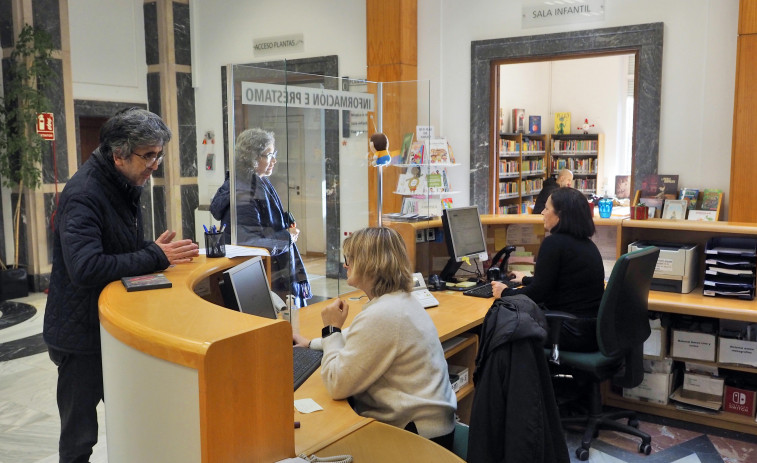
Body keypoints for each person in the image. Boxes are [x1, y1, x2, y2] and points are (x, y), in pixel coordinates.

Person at [43, 107, 200, 463]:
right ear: (118, 155)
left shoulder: (122, 183)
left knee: (129, 418)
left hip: (107, 326)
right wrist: (156, 256)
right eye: (148, 156)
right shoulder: (84, 194)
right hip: (79, 336)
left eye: (159, 154)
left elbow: (114, 250)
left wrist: (150, 250)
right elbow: (86, 267)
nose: (155, 165)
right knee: (79, 439)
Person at [293, 227, 457, 450]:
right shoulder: (398, 302)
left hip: (415, 440)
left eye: (349, 259)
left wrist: (331, 328)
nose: (345, 265)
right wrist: (310, 343)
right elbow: (359, 339)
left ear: (371, 264)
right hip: (430, 428)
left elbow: (336, 384)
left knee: (313, 441)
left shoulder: (385, 314)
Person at [492, 187, 604, 352]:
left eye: (547, 208)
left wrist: (504, 293)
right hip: (589, 330)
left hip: (568, 331)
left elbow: (538, 294)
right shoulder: (587, 245)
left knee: (500, 326)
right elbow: (559, 283)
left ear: (560, 214)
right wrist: (524, 279)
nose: (542, 213)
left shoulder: (554, 243)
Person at [210, 128, 311, 307]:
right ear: (252, 157)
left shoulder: (258, 181)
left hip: (269, 274)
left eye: (274, 154)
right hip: (260, 279)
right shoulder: (244, 192)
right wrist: (287, 237)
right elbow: (248, 242)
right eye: (269, 155)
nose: (274, 160)